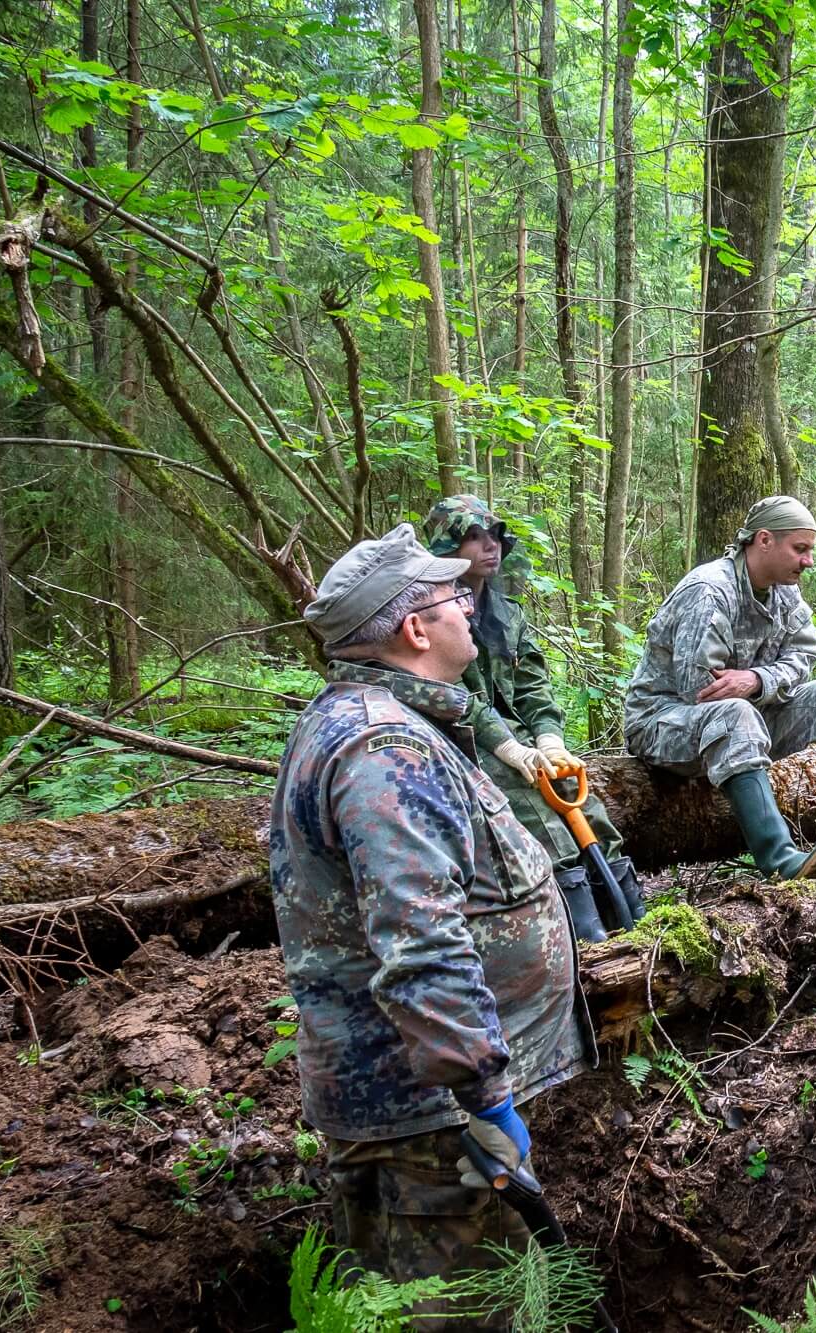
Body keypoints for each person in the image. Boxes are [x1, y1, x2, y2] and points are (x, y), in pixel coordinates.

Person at [268, 524, 586, 1323]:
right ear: (415, 629)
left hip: (432, 1114)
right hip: (430, 1124)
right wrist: (488, 1099)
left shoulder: (391, 725)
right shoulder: (385, 748)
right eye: (455, 597)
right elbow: (420, 946)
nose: (471, 606)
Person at [623, 494, 816, 880]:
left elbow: (804, 655)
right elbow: (699, 690)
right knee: (734, 712)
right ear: (764, 540)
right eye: (800, 549)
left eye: (810, 550)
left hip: (741, 718)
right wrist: (752, 689)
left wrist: (757, 680)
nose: (809, 561)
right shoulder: (709, 591)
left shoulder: (784, 591)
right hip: (663, 725)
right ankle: (779, 859)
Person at [422, 495, 640, 942]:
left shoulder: (508, 615)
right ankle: (586, 939)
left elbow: (533, 686)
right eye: (474, 539)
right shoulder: (431, 613)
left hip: (517, 737)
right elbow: (453, 695)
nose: (490, 547)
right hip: (459, 743)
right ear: (448, 549)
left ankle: (634, 920)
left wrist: (549, 740)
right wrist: (508, 747)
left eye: (495, 537)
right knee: (534, 813)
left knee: (587, 807)